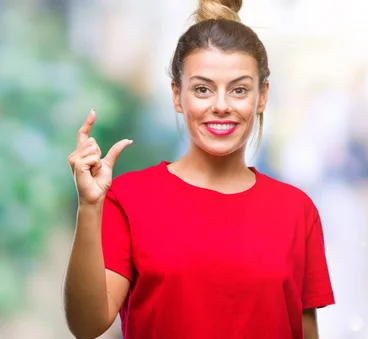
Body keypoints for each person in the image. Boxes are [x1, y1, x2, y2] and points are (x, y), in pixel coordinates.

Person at [62, 1, 335, 338]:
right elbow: (86, 325)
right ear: (178, 95)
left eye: (239, 89)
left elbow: (305, 331)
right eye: (202, 89)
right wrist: (89, 207)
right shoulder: (129, 198)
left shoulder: (297, 211)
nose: (221, 106)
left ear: (262, 97)